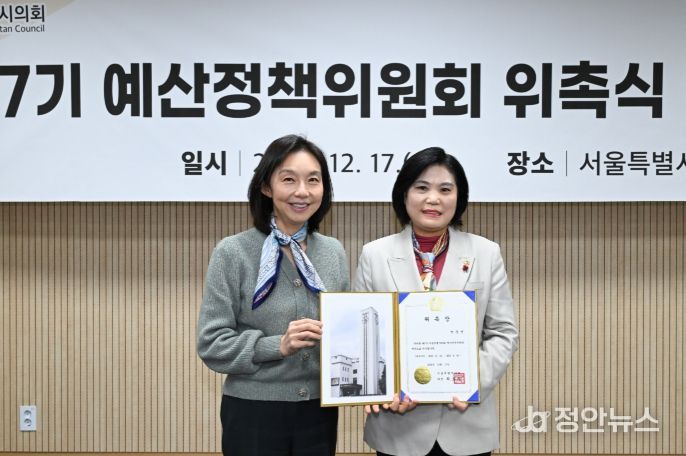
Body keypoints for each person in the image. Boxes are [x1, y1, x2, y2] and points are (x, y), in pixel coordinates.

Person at [353, 147, 518, 456]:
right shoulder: (374, 255)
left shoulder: (486, 253)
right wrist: (386, 388)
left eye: (445, 189)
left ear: (459, 197)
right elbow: (364, 337)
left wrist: (472, 383)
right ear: (404, 195)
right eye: (422, 188)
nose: (433, 199)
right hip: (397, 428)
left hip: (466, 425)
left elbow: (502, 333)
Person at [197, 134, 350, 456]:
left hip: (318, 410)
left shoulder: (333, 252)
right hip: (253, 410)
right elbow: (212, 345)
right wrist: (277, 345)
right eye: (289, 179)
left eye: (313, 180)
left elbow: (346, 331)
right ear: (266, 187)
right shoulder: (233, 252)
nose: (302, 191)